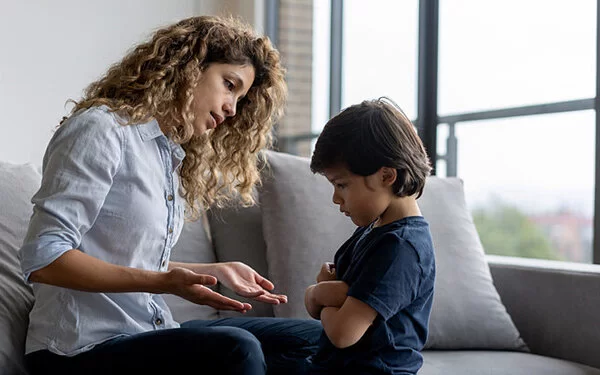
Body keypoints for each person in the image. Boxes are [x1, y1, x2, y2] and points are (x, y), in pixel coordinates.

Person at [19, 15, 321, 375]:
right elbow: (45, 257)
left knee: (311, 338)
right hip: (78, 349)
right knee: (237, 350)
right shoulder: (101, 130)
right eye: (229, 85)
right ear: (190, 66)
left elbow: (126, 257)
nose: (232, 108)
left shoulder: (168, 154)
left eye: (239, 98)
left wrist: (210, 271)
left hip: (146, 331)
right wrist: (165, 282)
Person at [303, 98, 436, 374]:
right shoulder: (373, 230)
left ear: (386, 176)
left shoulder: (401, 248)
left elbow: (342, 333)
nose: (335, 198)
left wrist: (319, 293)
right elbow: (322, 305)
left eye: (342, 185)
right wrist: (324, 295)